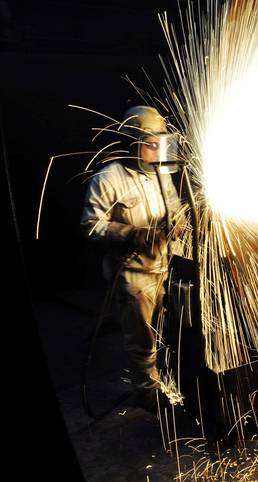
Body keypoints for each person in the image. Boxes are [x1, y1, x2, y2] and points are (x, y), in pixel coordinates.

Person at [80, 105, 183, 412]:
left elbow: (175, 210)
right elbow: (90, 226)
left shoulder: (161, 173)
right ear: (131, 142)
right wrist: (129, 233)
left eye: (159, 143)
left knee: (171, 328)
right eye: (150, 144)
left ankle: (171, 380)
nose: (156, 150)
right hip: (133, 274)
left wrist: (180, 221)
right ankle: (147, 391)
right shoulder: (108, 179)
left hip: (166, 265)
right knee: (141, 337)